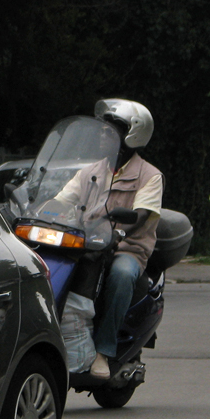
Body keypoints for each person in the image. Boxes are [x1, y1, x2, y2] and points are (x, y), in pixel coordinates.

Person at [56, 99, 163, 380]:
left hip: (127, 248)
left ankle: (104, 350)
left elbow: (140, 215)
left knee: (121, 274)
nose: (103, 134)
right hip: (87, 243)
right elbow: (61, 202)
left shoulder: (150, 176)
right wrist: (36, 213)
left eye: (111, 129)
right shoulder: (91, 171)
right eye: (103, 128)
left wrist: (118, 232)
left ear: (132, 134)